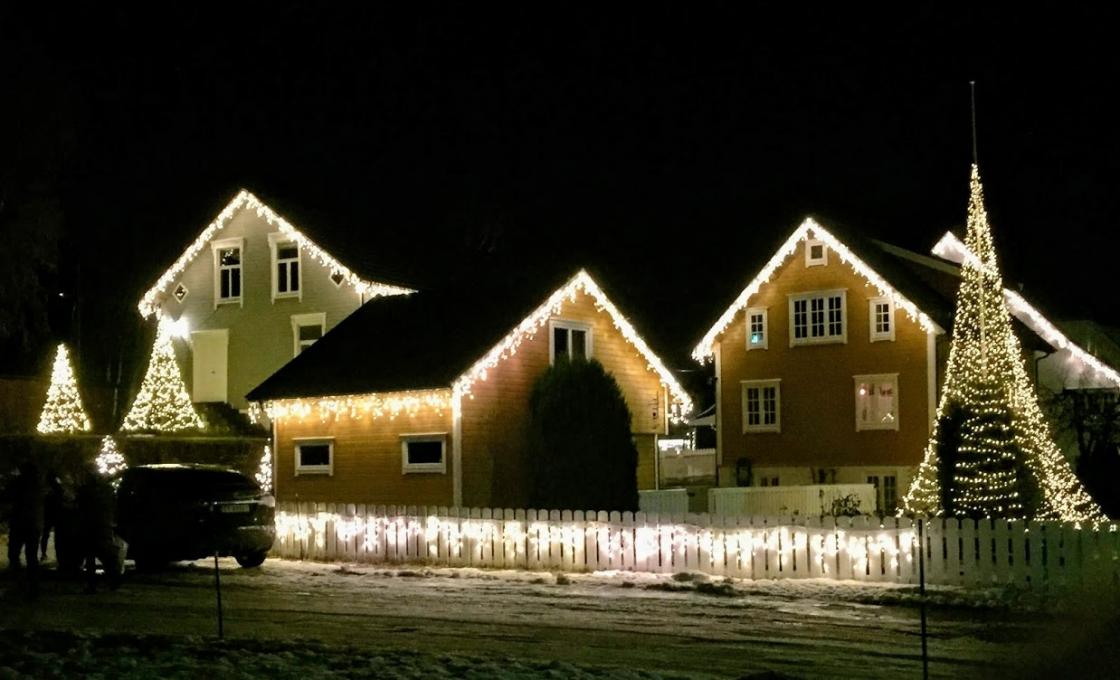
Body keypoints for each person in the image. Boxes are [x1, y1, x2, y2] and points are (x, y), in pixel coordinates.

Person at [75, 463, 122, 592]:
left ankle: (92, 583)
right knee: (105, 554)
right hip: (103, 524)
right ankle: (113, 579)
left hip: (90, 525)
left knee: (91, 556)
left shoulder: (85, 490)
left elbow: (79, 506)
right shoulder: (107, 489)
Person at [5, 461, 45, 597]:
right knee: (31, 556)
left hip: (19, 523)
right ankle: (33, 587)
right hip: (33, 524)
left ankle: (20, 583)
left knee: (14, 554)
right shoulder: (38, 485)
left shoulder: (18, 483)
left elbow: (6, 497)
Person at [40, 473, 65, 561]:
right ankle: (57, 555)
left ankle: (46, 554)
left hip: (52, 514)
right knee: (57, 536)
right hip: (54, 514)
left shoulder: (50, 487)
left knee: (49, 535)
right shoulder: (57, 487)